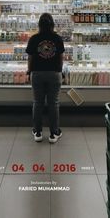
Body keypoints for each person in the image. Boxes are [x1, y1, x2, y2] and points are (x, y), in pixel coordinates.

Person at [26, 13, 65, 143]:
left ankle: (37, 132)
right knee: (53, 103)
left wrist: (29, 71)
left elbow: (30, 58)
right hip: (54, 73)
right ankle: (54, 133)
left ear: (39, 24)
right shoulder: (57, 38)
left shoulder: (34, 38)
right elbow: (60, 58)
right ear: (52, 24)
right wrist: (59, 72)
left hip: (37, 73)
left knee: (38, 103)